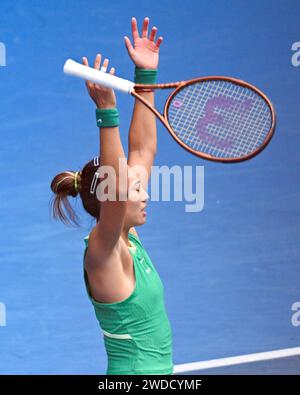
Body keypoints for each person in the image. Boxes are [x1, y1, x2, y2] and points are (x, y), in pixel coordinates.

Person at [50, 17, 173, 375]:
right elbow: (120, 191)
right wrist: (106, 112)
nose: (144, 191)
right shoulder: (103, 253)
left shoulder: (126, 237)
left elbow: (143, 149)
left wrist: (145, 78)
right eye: (135, 189)